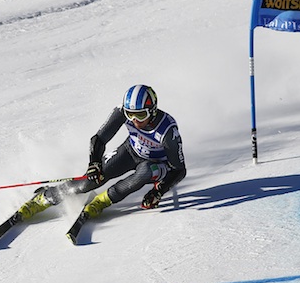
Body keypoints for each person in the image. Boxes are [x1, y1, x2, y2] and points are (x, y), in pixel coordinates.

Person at [17, 84, 186, 221]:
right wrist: (94, 164)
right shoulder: (122, 112)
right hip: (130, 152)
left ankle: (101, 202)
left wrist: (158, 191)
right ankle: (46, 197)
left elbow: (179, 170)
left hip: (157, 165)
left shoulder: (167, 131)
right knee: (88, 182)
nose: (135, 120)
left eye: (140, 115)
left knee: (144, 171)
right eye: (131, 115)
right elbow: (99, 139)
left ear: (153, 111)